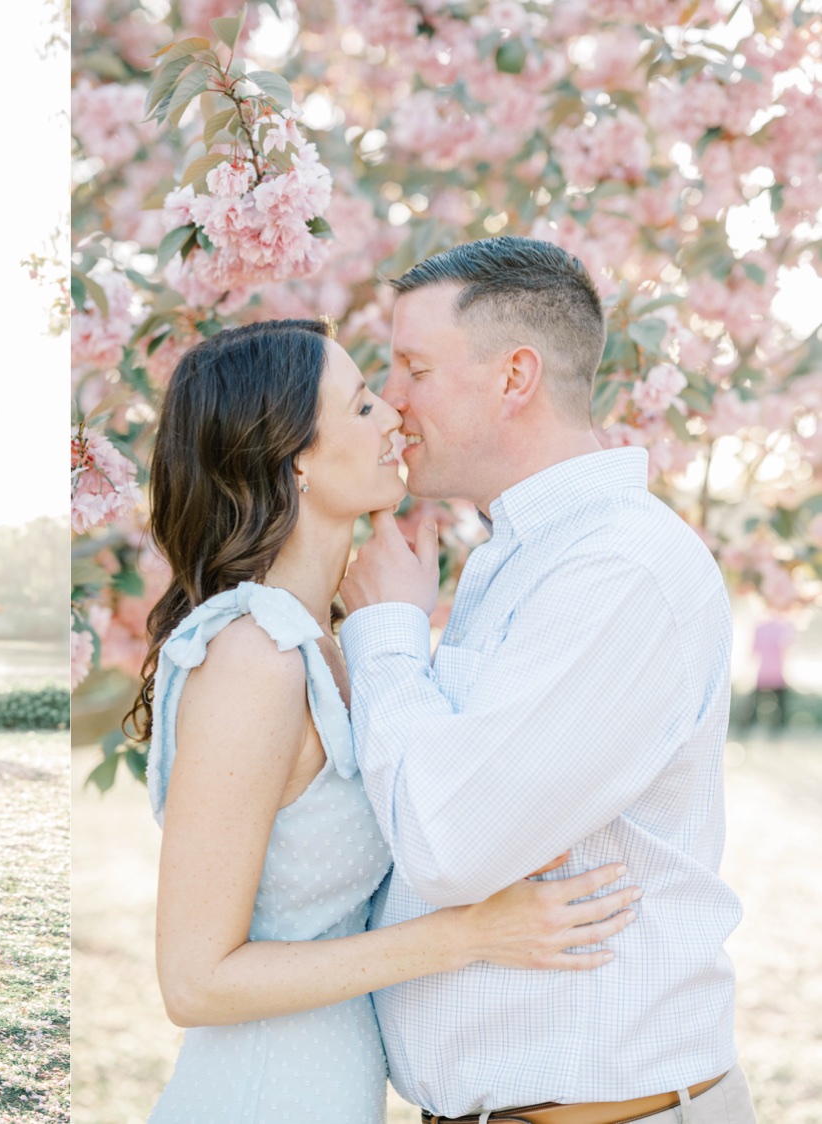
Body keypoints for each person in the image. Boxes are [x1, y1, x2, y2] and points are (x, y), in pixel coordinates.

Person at [130, 319, 639, 1122]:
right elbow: (194, 982)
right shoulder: (252, 657)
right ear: (295, 454)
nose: (395, 417)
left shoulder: (322, 643)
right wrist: (472, 935)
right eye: (364, 404)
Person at [338, 236, 753, 1121]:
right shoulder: (514, 559)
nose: (391, 400)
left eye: (413, 367)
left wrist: (383, 631)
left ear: (514, 376)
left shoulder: (620, 571)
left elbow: (451, 843)